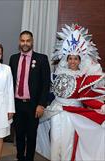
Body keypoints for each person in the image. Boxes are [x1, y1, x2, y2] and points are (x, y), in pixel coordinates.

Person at [38, 24, 105, 161]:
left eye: (75, 58)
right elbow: (51, 94)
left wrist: (101, 106)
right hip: (56, 111)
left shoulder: (81, 78)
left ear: (80, 61)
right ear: (66, 59)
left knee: (68, 143)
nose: (72, 61)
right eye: (70, 58)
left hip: (73, 114)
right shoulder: (57, 74)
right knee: (55, 140)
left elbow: (86, 98)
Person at [9, 31, 51, 161]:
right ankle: (20, 157)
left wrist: (41, 104)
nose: (25, 43)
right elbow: (10, 83)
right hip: (17, 103)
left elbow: (46, 84)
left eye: (28, 40)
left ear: (32, 42)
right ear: (19, 42)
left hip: (34, 105)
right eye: (23, 40)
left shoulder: (41, 58)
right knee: (19, 134)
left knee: (31, 135)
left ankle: (29, 159)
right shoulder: (13, 58)